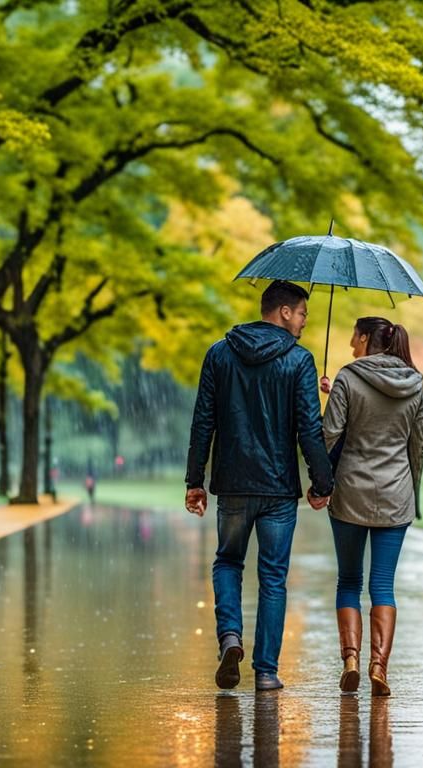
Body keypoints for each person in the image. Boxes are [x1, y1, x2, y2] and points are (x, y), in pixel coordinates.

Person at [186, 280, 335, 692]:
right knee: (273, 577)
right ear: (284, 312)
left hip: (233, 483)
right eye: (303, 313)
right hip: (277, 490)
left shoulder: (219, 353)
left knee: (228, 562)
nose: (305, 323)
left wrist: (194, 480)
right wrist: (323, 481)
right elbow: (309, 429)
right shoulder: (299, 361)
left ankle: (230, 636)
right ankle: (266, 671)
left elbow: (203, 422)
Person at [319, 317, 423, 697]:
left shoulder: (349, 378)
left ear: (365, 338)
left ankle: (350, 659)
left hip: (350, 494)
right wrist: (411, 490)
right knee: (383, 586)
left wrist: (329, 401)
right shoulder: (415, 384)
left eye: (353, 337)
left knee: (349, 582)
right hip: (396, 497)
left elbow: (329, 435)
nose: (350, 345)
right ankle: (378, 667)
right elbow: (419, 445)